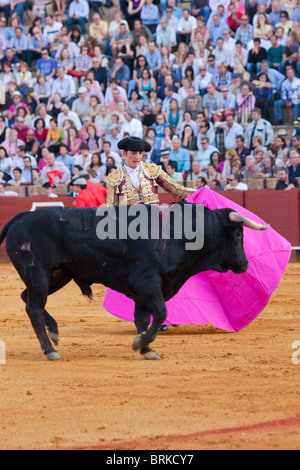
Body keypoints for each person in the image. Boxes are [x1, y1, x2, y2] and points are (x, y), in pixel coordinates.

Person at [106, 136, 194, 206]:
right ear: (124, 153)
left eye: (140, 153)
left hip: (152, 222)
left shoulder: (151, 170)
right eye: (133, 153)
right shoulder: (114, 177)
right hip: (127, 224)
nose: (137, 157)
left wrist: (197, 193)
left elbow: (175, 189)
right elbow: (111, 207)